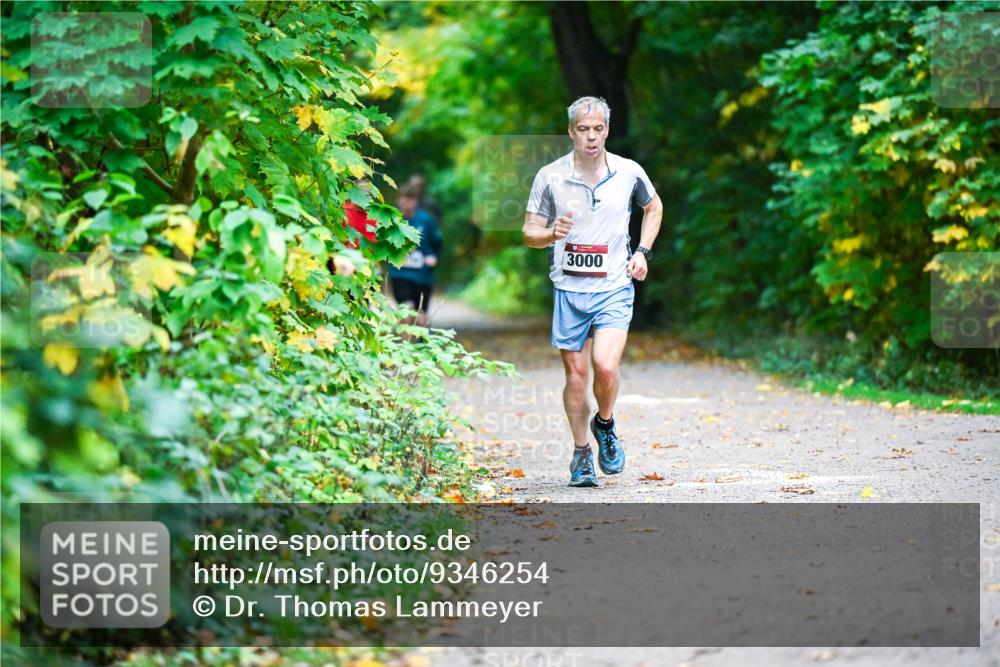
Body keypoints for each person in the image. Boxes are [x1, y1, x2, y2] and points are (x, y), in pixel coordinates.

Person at [522, 96, 663, 488]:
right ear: (571, 132)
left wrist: (642, 252)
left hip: (614, 286)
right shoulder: (549, 176)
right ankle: (582, 454)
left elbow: (653, 208)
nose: (591, 136)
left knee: (605, 365)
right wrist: (551, 233)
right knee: (576, 375)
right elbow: (528, 233)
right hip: (569, 288)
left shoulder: (629, 172)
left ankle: (605, 424)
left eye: (598, 128)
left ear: (607, 130)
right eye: (583, 129)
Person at [389, 182, 442, 325]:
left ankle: (422, 345)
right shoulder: (392, 219)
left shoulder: (426, 220)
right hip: (400, 273)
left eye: (411, 200)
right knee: (406, 310)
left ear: (416, 201)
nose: (407, 204)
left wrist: (433, 257)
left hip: (422, 275)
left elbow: (437, 242)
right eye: (404, 199)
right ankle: (405, 346)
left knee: (420, 315)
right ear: (399, 200)